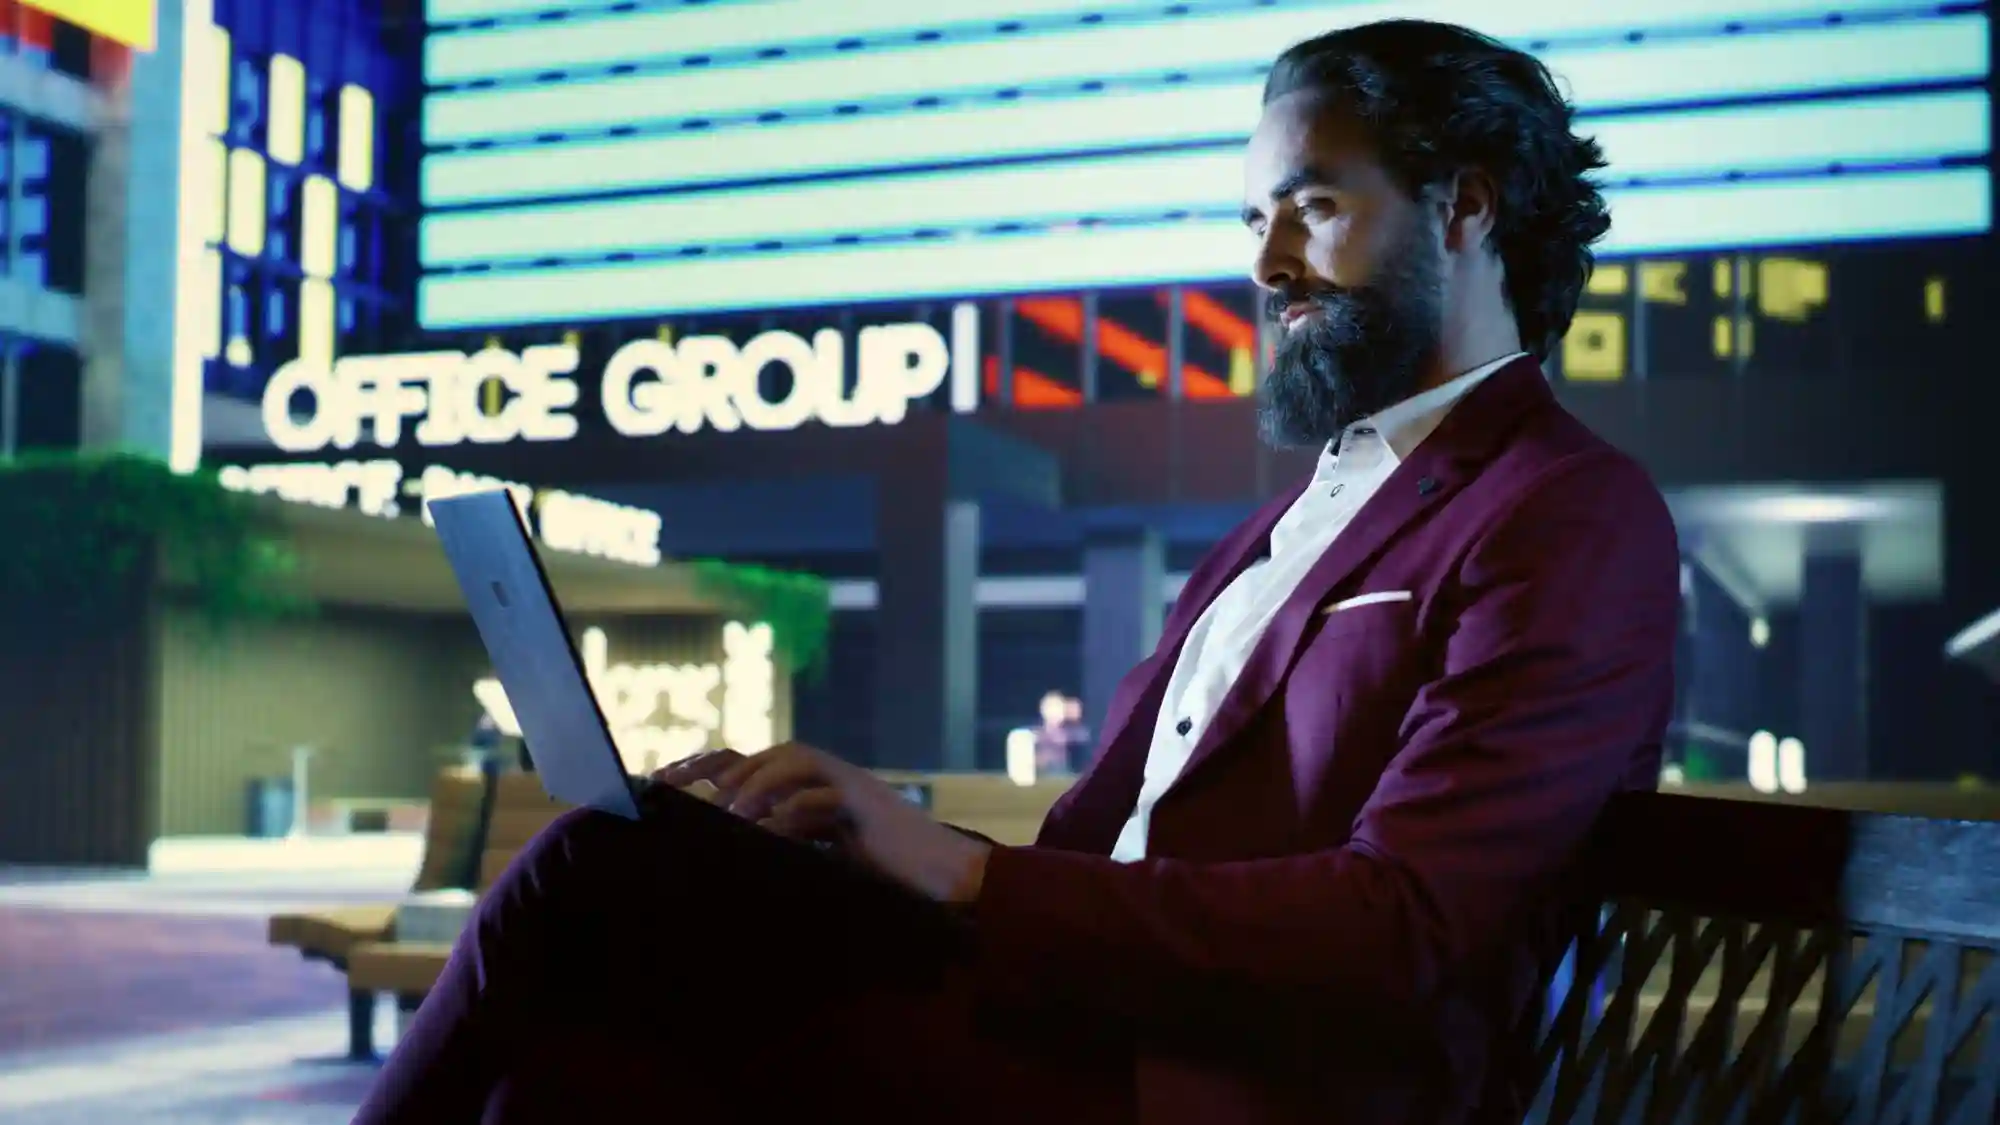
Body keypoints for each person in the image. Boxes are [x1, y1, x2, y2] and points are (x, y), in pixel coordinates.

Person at [355, 20, 1676, 1125]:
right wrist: (875, 843)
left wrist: (962, 873)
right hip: (1071, 1029)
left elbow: (1409, 929)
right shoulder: (1279, 531)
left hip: (1221, 1090)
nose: (1267, 261)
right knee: (594, 1031)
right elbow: (1113, 859)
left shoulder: (1564, 513)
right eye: (1255, 216)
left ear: (1466, 204)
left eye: (1317, 208)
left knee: (593, 880)